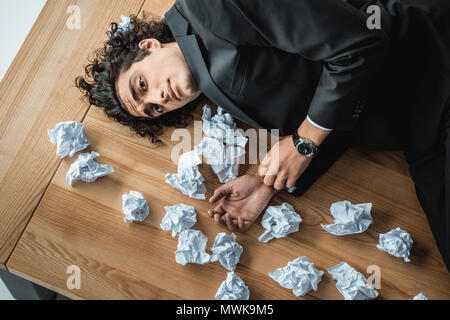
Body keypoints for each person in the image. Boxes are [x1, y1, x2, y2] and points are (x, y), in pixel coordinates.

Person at [75, 0, 450, 270]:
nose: (159, 99)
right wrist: (267, 183)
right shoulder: (215, 90)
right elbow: (333, 114)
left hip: (431, 57)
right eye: (153, 109)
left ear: (149, 46)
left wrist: (303, 140)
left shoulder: (210, 7)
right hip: (418, 135)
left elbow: (358, 45)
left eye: (142, 85)